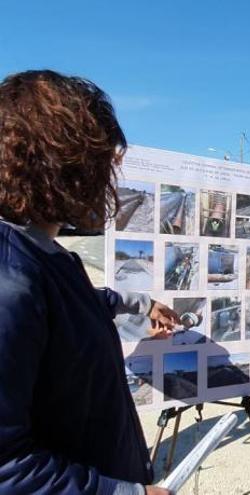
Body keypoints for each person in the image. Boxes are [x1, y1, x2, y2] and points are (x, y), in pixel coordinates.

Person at [0, 70, 178, 494]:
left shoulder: (40, 251)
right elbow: (7, 468)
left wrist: (140, 304)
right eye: (103, 159)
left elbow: (73, 312)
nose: (112, 175)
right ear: (62, 161)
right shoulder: (9, 278)